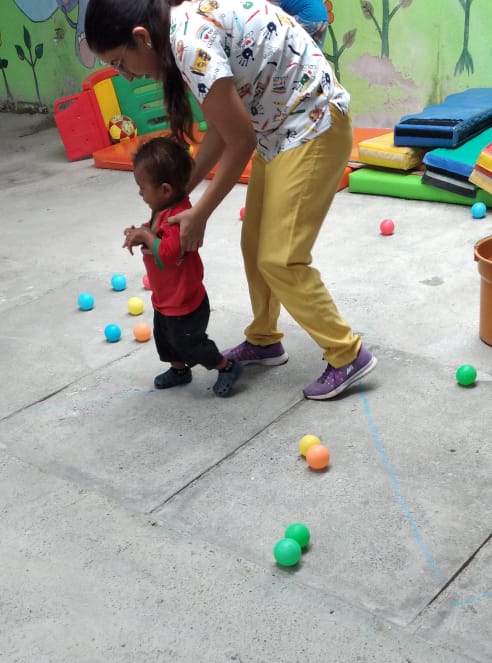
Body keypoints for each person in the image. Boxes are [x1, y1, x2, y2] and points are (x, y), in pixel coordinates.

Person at [85, 0, 377, 401]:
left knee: (280, 258)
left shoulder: (188, 44)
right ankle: (264, 339)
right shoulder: (178, 35)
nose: (128, 75)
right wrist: (178, 196)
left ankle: (347, 353)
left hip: (312, 124)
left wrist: (200, 213)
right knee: (254, 244)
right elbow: (223, 129)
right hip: (279, 129)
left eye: (120, 62)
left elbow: (240, 141)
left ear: (141, 37)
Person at [123, 136, 243, 396]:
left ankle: (227, 366)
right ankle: (179, 370)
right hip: (166, 298)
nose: (140, 193)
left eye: (142, 188)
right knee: (165, 339)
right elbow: (156, 233)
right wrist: (141, 232)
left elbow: (168, 254)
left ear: (165, 189)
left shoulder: (180, 217)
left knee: (191, 344)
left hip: (185, 301)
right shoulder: (162, 209)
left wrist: (146, 236)